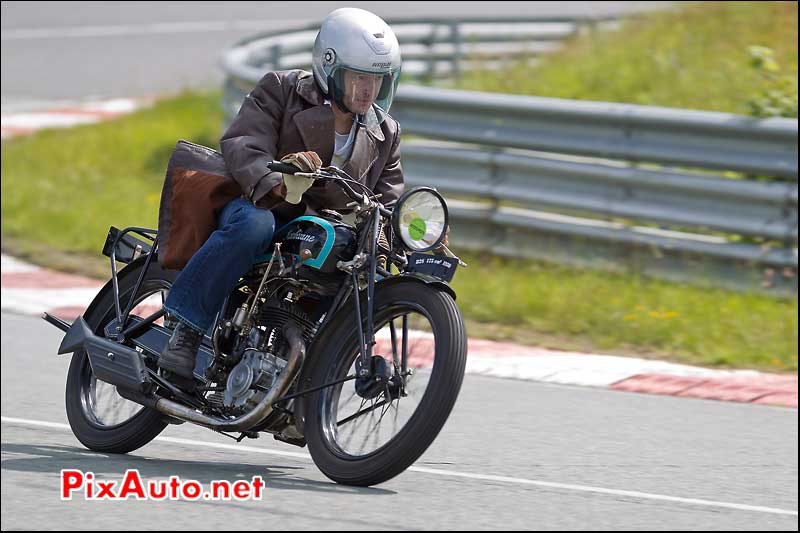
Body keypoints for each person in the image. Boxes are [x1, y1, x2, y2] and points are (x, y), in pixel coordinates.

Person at [158, 7, 406, 380]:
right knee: (253, 225)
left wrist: (406, 230)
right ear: (329, 68)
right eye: (358, 77)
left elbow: (387, 197)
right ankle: (186, 332)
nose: (368, 90)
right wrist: (278, 179)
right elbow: (245, 142)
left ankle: (311, 374)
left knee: (364, 271)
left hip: (317, 232)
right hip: (261, 205)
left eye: (377, 79)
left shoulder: (385, 133)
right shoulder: (283, 89)